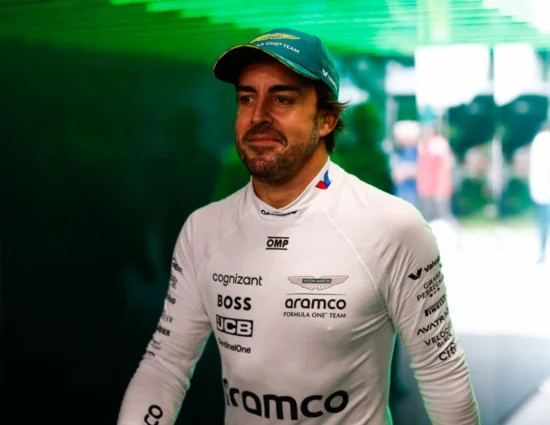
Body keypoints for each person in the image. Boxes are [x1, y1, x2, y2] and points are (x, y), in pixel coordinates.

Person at [117, 28, 480, 425]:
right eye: (246, 98)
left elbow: (442, 374)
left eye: (283, 99)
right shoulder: (203, 228)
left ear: (326, 119)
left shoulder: (394, 227)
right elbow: (165, 366)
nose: (258, 116)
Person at [529, 122, 550, 264]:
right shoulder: (544, 140)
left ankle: (542, 252)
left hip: (540, 190)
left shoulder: (537, 141)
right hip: (544, 189)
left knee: (543, 223)